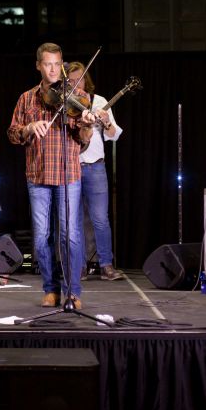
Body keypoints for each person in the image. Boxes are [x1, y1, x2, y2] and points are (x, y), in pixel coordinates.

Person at [7, 43, 95, 309]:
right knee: (41, 237)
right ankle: (50, 289)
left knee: (70, 235)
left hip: (68, 175)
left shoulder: (78, 97)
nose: (54, 69)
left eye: (57, 64)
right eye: (48, 64)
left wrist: (87, 127)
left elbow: (84, 141)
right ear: (39, 66)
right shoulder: (26, 98)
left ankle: (73, 292)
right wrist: (29, 127)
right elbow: (12, 133)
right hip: (38, 175)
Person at [66, 61, 124, 281]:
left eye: (78, 79)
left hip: (95, 166)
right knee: (75, 221)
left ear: (85, 80)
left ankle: (106, 265)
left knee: (100, 219)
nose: (75, 84)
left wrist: (107, 121)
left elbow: (114, 135)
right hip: (71, 167)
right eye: (70, 81)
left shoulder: (98, 101)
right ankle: (78, 266)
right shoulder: (65, 103)